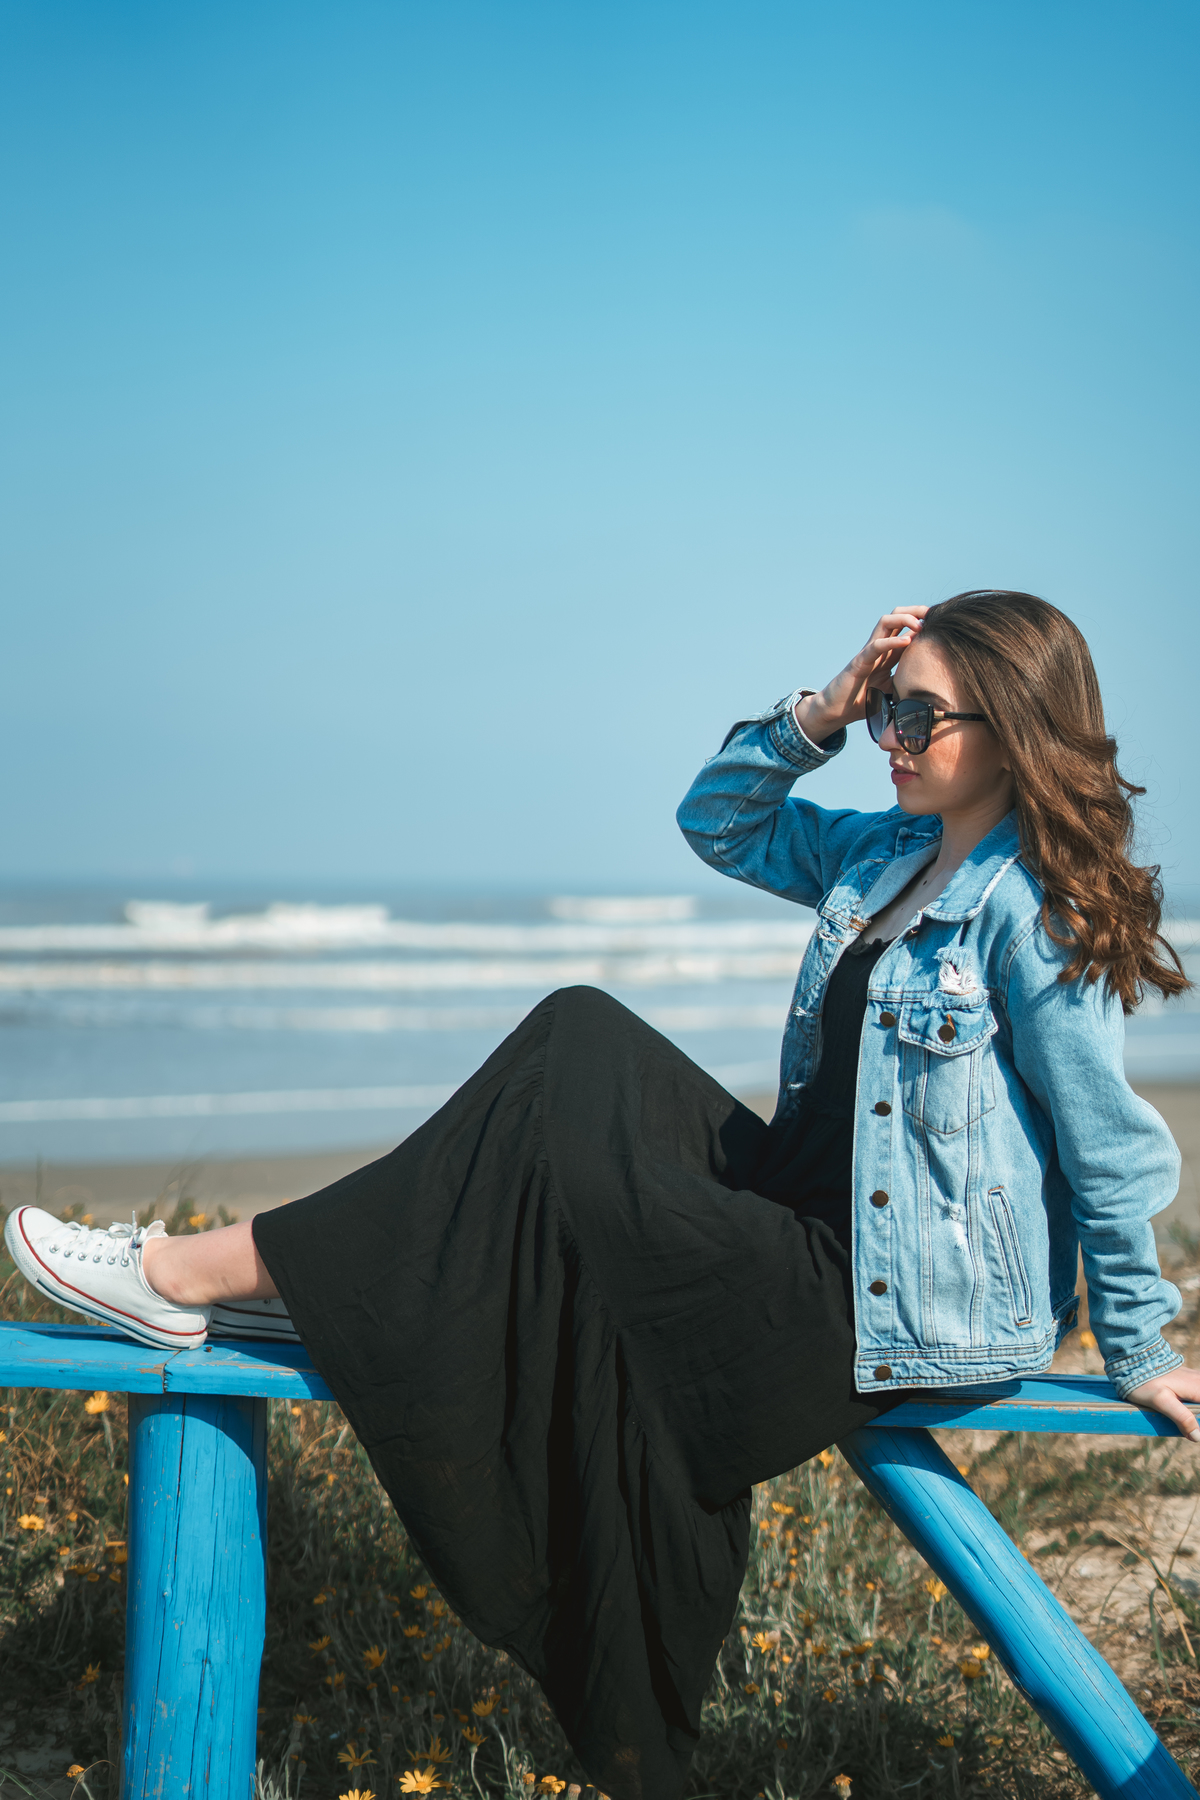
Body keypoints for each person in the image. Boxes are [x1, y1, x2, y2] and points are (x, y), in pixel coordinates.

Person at [7, 588, 1199, 1800]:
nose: (892, 739)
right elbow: (718, 823)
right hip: (803, 1215)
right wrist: (821, 710)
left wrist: (1141, 1343)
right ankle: (290, 1279)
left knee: (571, 1134)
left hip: (892, 1298)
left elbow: (1109, 1150)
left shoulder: (1031, 913)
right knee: (581, 1036)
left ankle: (199, 1274)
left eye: (917, 718)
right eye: (887, 712)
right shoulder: (882, 853)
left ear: (1009, 726)